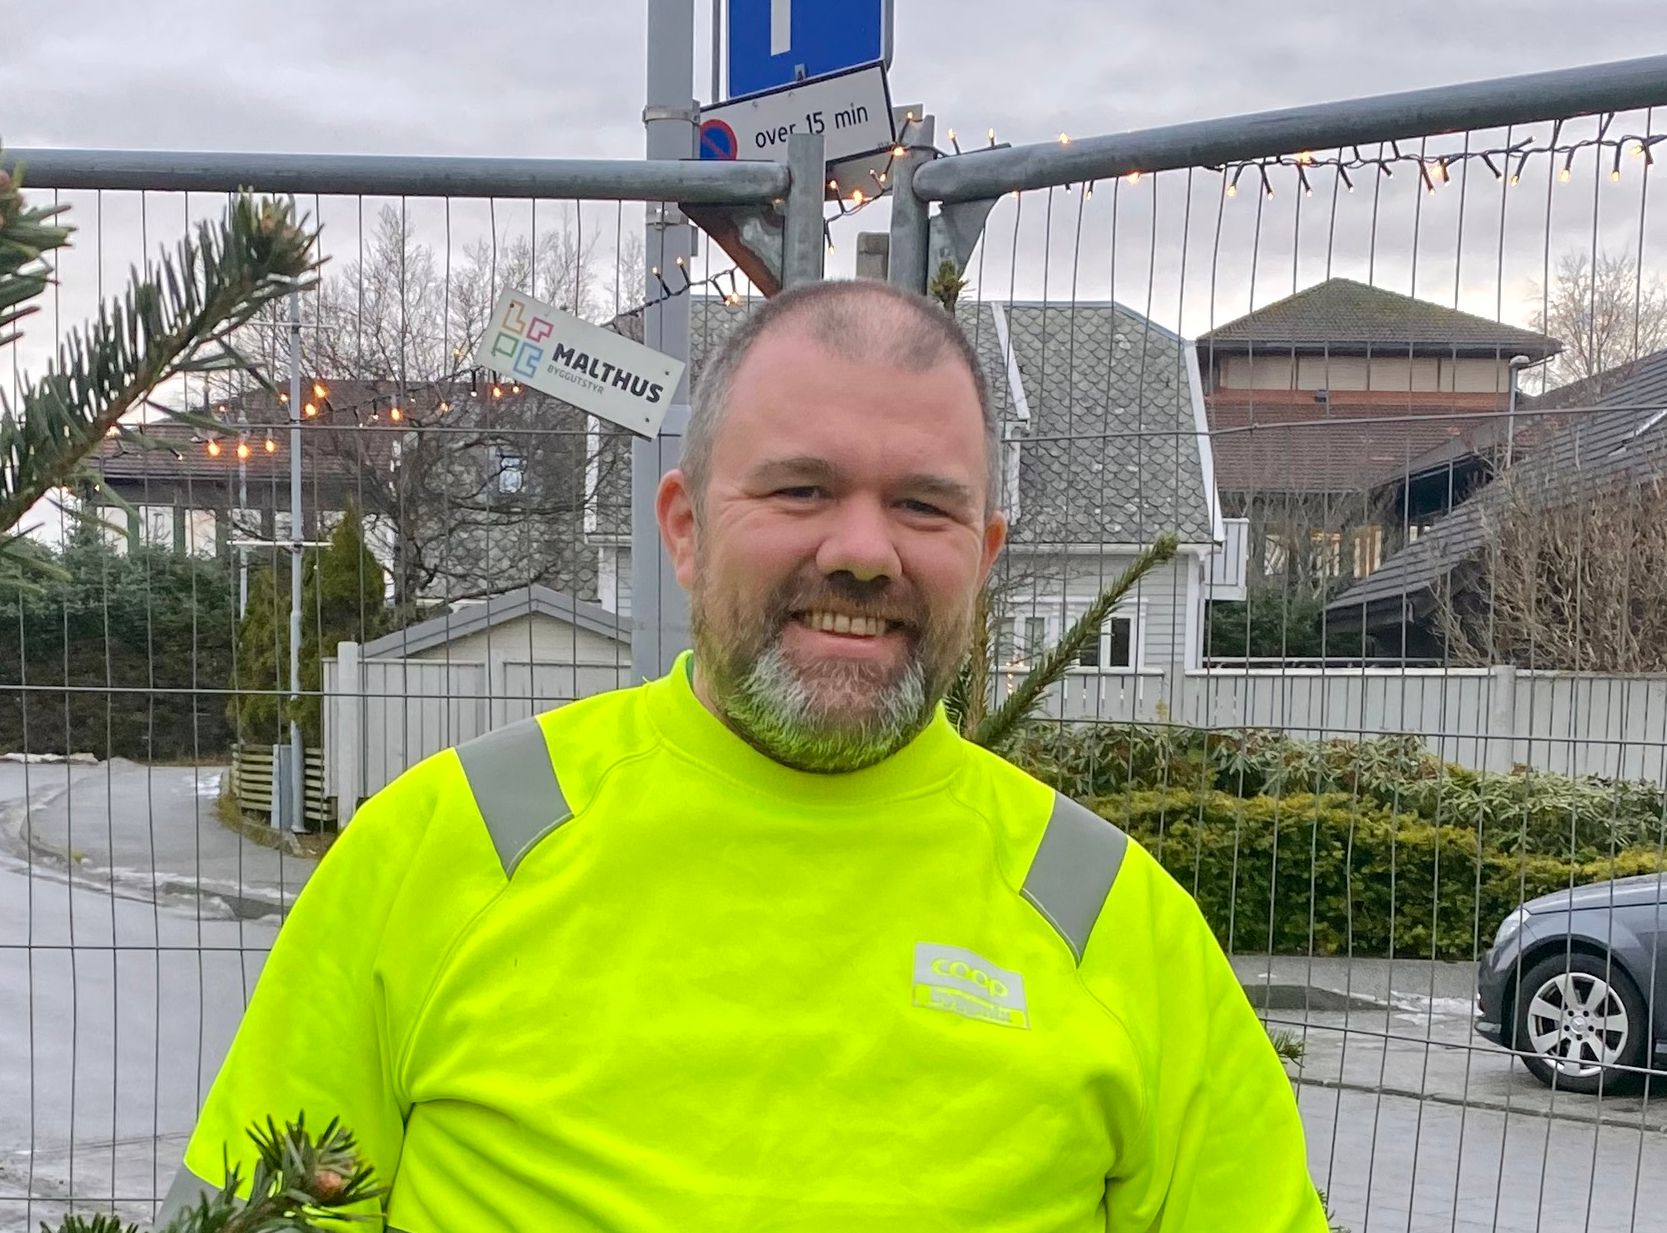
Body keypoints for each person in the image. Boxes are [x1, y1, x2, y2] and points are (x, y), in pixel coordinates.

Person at [162, 280, 1327, 1231]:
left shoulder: (1110, 918)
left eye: (922, 508)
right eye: (801, 489)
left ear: (982, 555)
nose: (863, 551)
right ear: (685, 528)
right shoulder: (442, 848)